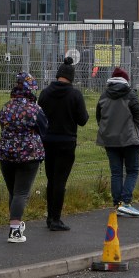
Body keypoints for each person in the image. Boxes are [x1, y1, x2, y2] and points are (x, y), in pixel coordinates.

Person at [37, 57, 89, 231]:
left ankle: (49, 216)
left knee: (51, 179)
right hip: (66, 142)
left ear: (58, 75)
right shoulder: (75, 95)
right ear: (71, 77)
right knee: (60, 181)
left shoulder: (45, 93)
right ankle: (56, 219)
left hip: (47, 141)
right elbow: (83, 120)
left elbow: (39, 116)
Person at [0, 71, 47, 243]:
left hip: (6, 153)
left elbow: (2, 125)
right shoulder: (35, 109)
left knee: (13, 192)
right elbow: (44, 129)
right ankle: (15, 231)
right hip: (29, 154)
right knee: (21, 193)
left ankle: (15, 224)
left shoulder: (6, 107)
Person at [96, 66, 139, 217]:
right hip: (130, 138)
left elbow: (99, 116)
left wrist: (106, 129)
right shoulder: (130, 94)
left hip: (110, 139)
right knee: (132, 171)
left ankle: (117, 204)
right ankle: (126, 202)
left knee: (116, 173)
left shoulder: (104, 95)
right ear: (126, 80)